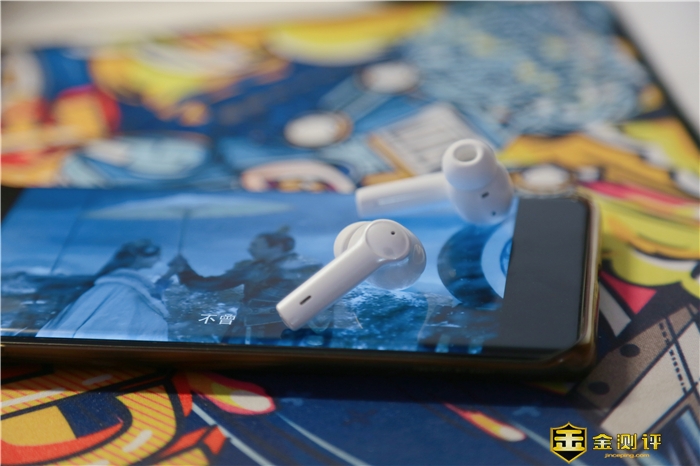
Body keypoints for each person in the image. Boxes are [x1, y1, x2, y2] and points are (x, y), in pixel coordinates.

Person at [167, 228, 322, 341]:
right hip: (248, 329)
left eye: (255, 245)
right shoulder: (253, 268)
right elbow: (210, 284)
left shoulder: (304, 268)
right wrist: (184, 269)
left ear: (277, 247)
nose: (249, 249)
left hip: (284, 332)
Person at [37, 239, 171, 341]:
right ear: (140, 256)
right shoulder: (121, 288)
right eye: (156, 255)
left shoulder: (117, 284)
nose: (159, 259)